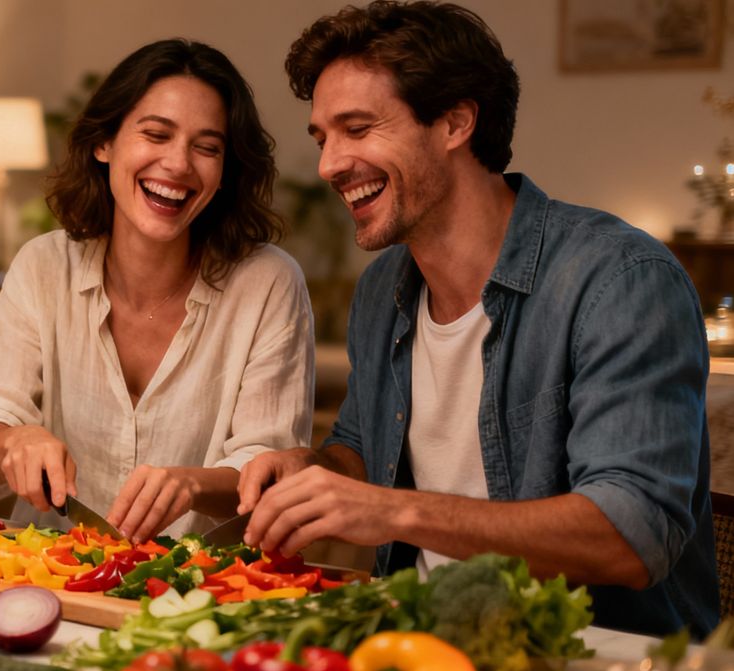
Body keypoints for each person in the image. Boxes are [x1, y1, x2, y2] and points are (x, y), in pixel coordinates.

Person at [238, 0, 719, 638]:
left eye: (357, 128)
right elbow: (360, 449)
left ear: (456, 122)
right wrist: (315, 471)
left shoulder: (621, 281)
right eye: (323, 138)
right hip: (422, 645)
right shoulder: (385, 287)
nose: (329, 165)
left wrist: (393, 513)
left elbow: (630, 535)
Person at [0, 39, 314, 541]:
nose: (179, 164)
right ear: (105, 143)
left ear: (225, 171)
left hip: (198, 584)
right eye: (156, 134)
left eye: (207, 147)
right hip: (45, 571)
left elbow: (268, 467)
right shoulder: (43, 266)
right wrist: (15, 441)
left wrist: (190, 485)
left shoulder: (269, 282)